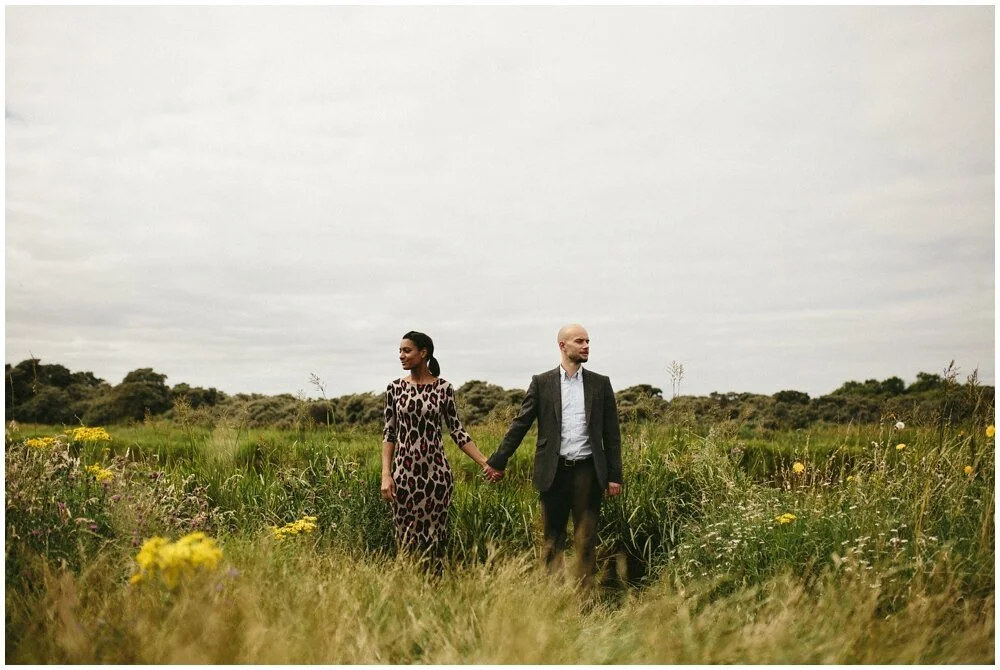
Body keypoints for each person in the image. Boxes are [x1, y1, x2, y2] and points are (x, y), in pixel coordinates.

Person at [486, 324, 622, 586]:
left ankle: (585, 598)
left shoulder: (600, 383)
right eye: (579, 341)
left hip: (588, 471)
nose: (586, 346)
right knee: (552, 539)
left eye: (588, 341)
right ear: (562, 345)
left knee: (586, 539)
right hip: (554, 471)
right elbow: (521, 423)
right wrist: (498, 460)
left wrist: (614, 475)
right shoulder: (542, 382)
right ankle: (554, 596)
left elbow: (612, 433)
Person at [381, 330, 494, 561]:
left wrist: (485, 463)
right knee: (405, 537)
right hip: (404, 475)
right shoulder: (394, 388)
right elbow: (389, 433)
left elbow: (457, 431)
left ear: (423, 353)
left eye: (406, 350)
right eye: (400, 351)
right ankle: (406, 578)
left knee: (436, 538)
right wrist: (386, 474)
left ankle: (437, 578)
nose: (401, 355)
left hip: (437, 476)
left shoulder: (444, 388)